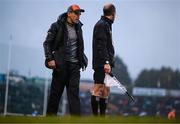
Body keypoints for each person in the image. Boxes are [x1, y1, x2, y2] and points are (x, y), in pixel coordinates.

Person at [43, 4, 87, 116]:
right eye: (76, 13)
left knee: (74, 95)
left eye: (79, 14)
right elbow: (47, 43)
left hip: (74, 67)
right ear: (69, 13)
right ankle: (50, 120)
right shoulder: (57, 26)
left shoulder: (79, 27)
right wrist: (49, 58)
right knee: (55, 95)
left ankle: (76, 121)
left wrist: (82, 58)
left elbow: (79, 46)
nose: (78, 16)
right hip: (60, 66)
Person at [91, 4, 116, 116]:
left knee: (106, 90)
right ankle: (96, 118)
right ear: (113, 13)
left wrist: (110, 62)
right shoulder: (102, 25)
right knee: (98, 88)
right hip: (102, 64)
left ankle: (102, 118)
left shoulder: (106, 24)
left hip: (106, 64)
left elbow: (107, 45)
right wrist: (106, 62)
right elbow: (101, 46)